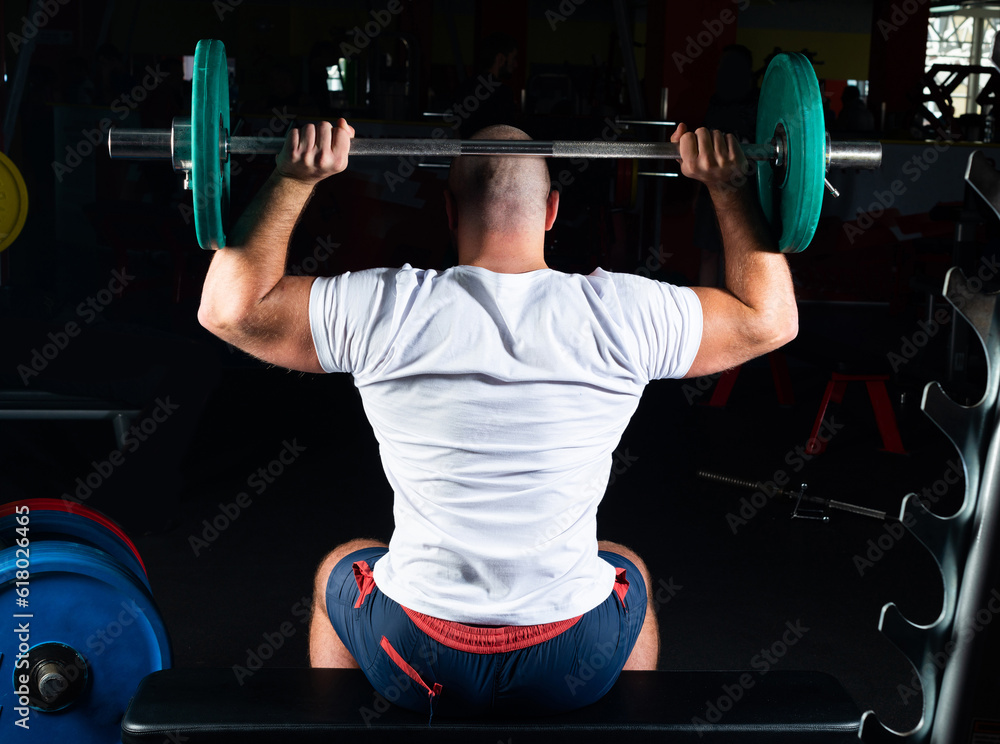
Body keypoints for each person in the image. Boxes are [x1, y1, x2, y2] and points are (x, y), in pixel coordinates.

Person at [197, 119, 797, 718]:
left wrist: (293, 178)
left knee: (342, 565)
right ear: (552, 211)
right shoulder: (625, 313)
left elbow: (229, 309)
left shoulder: (384, 308)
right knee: (626, 571)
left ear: (450, 212)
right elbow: (771, 319)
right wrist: (731, 185)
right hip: (572, 658)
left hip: (415, 653)